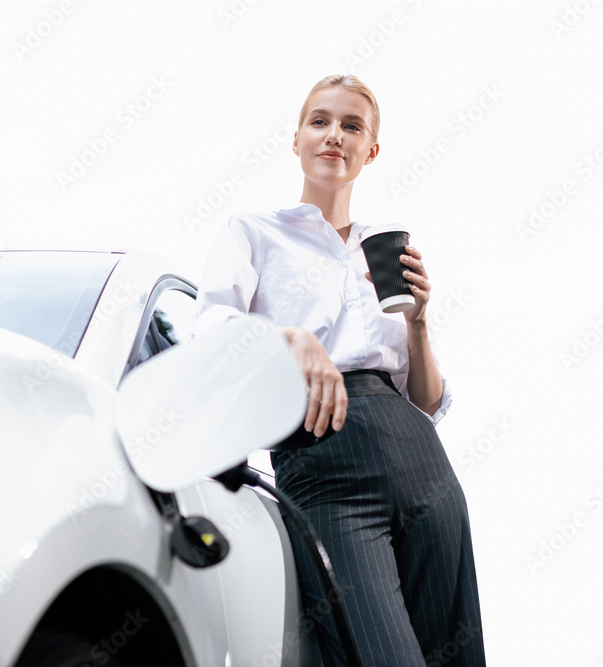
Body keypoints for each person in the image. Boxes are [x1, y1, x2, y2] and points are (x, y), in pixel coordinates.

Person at [192, 74, 485, 666]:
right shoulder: (253, 233)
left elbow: (425, 403)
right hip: (324, 464)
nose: (334, 135)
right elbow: (207, 329)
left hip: (421, 460)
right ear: (296, 139)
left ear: (369, 151)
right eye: (320, 121)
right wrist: (290, 340)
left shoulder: (384, 251)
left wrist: (422, 322)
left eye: (352, 126)